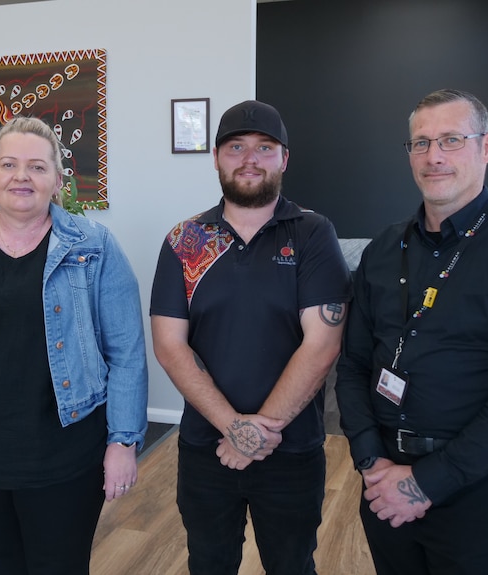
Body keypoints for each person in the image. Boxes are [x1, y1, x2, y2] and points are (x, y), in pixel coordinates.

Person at [335, 88, 488, 575]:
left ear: (487, 147)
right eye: (420, 143)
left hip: (479, 495)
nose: (433, 156)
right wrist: (371, 462)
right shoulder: (383, 250)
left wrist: (425, 483)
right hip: (385, 485)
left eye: (450, 140)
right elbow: (354, 365)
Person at [0, 116, 148, 575]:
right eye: (8, 164)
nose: (21, 176)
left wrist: (123, 441)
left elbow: (126, 352)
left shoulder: (93, 247)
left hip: (63, 454)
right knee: (3, 565)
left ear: (57, 181)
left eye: (37, 167)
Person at [150, 100, 351, 575]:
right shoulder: (187, 240)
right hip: (205, 445)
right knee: (209, 563)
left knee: (292, 565)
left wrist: (258, 431)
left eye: (265, 148)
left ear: (284, 159)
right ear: (216, 157)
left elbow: (322, 344)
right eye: (236, 147)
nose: (250, 159)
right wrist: (233, 428)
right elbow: (169, 345)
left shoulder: (312, 233)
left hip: (292, 450)